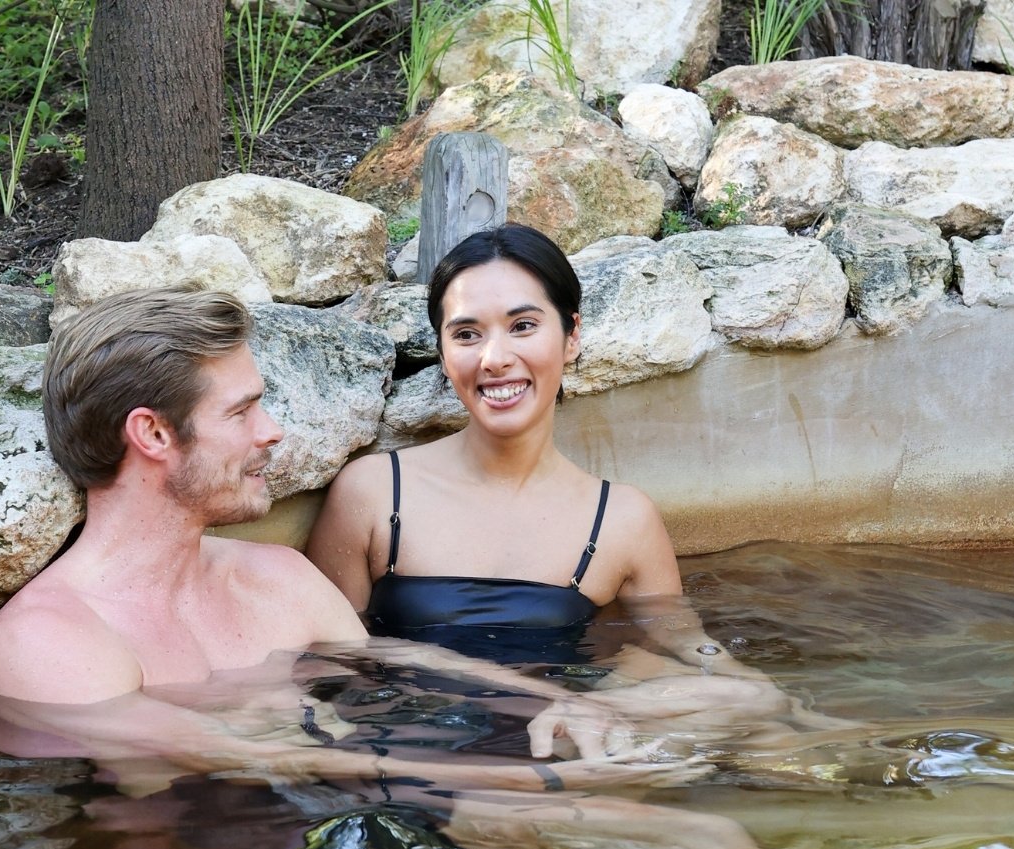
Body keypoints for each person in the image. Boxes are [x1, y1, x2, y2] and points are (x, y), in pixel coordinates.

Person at [0, 286, 837, 849]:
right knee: (711, 844)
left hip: (378, 785)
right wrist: (540, 784)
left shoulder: (272, 575)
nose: (273, 433)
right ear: (152, 436)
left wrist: (562, 707)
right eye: (243, 410)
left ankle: (872, 765)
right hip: (280, 835)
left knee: (732, 707)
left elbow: (404, 673)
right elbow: (244, 756)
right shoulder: (52, 642)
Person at [307, 224, 848, 750]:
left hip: (561, 741)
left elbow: (684, 640)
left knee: (760, 724)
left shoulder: (622, 519)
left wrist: (773, 697)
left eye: (523, 326)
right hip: (415, 746)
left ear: (572, 337)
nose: (494, 358)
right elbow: (329, 660)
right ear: (445, 354)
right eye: (467, 334)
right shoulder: (376, 493)